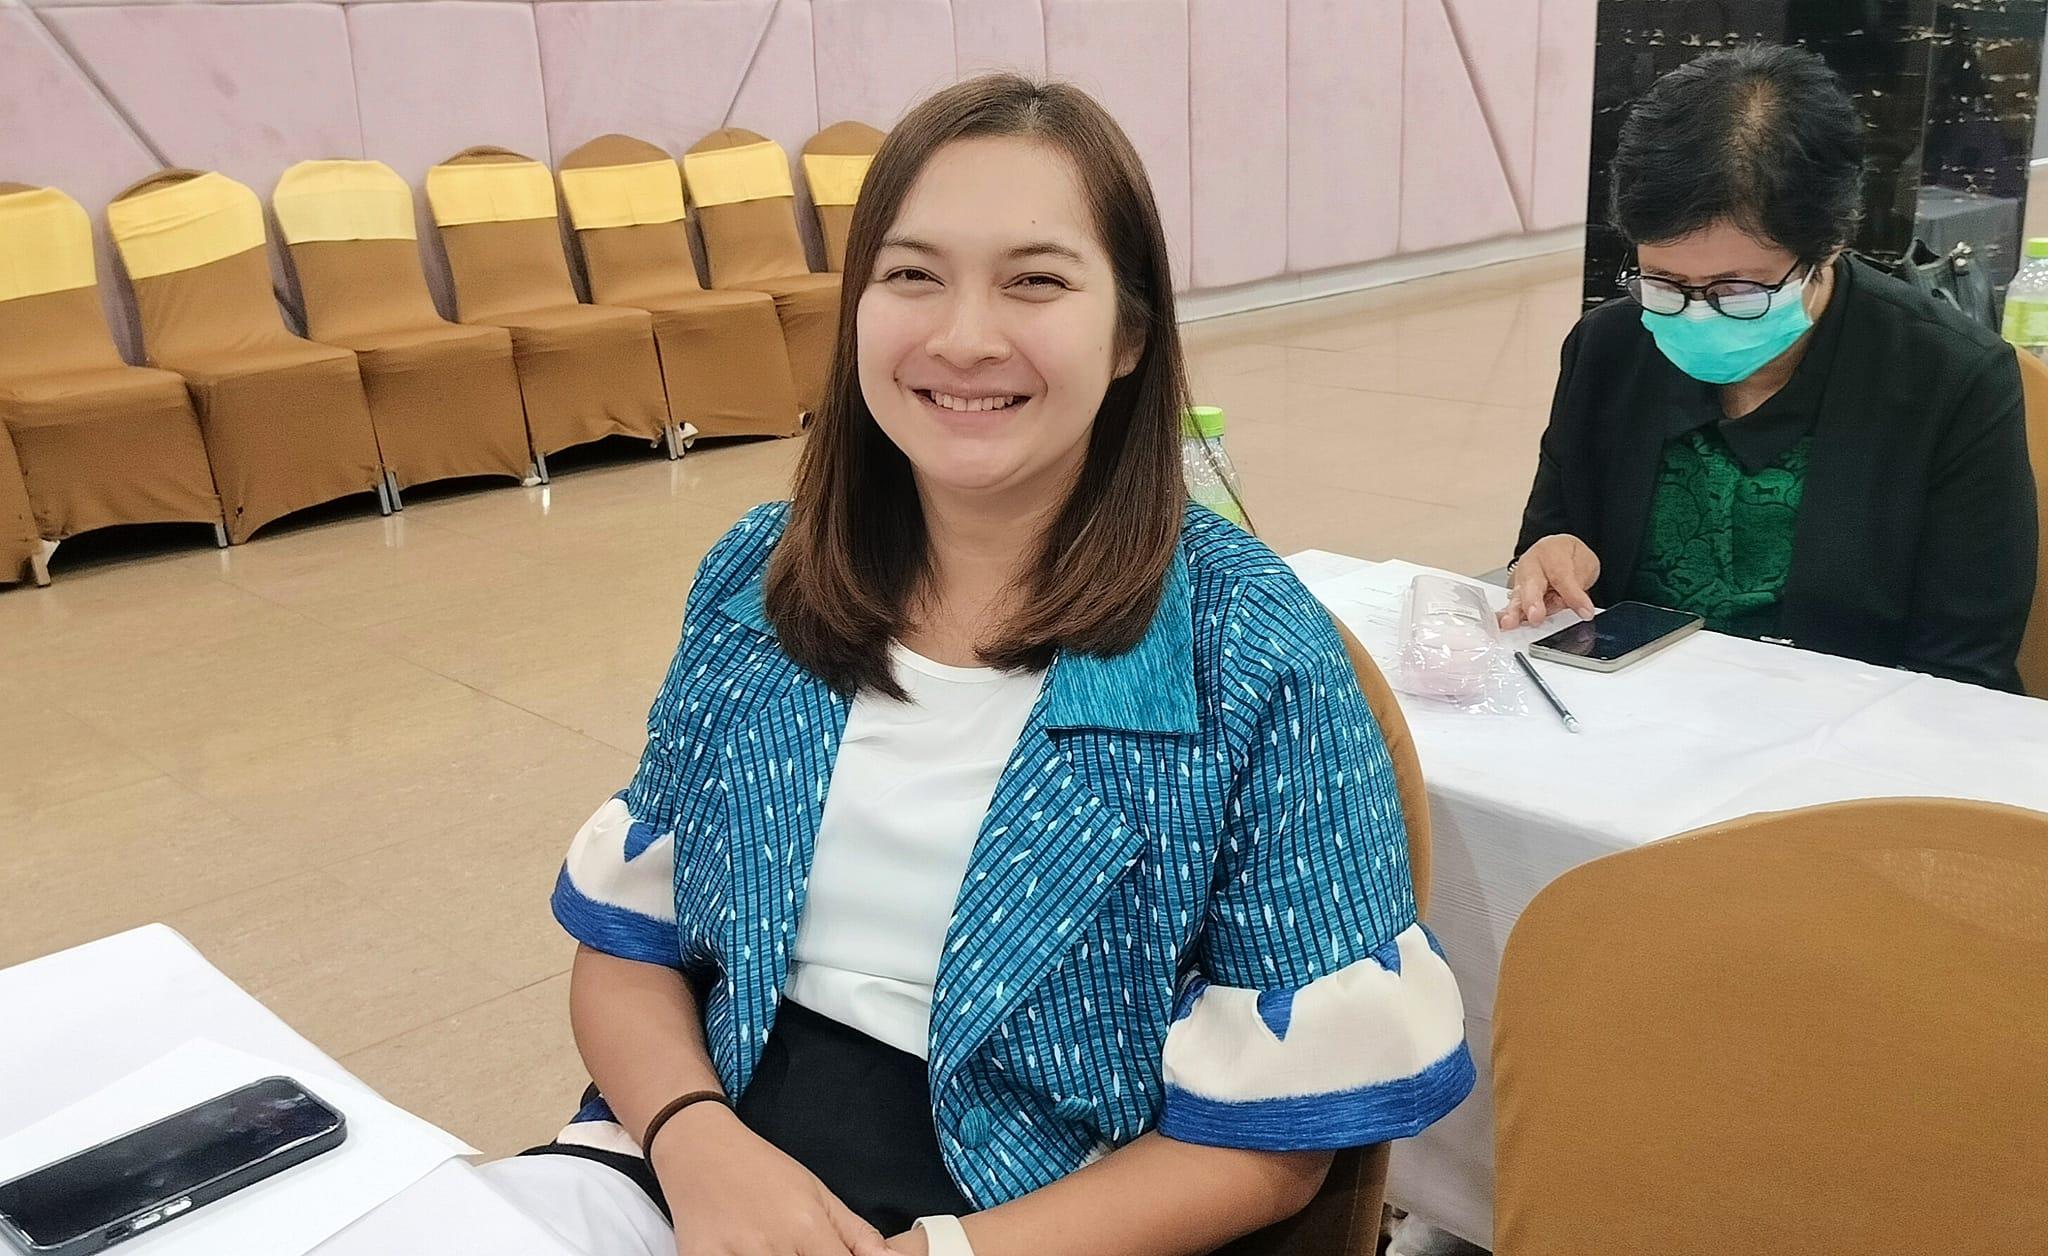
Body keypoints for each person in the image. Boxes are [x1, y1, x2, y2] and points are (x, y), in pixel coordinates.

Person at [481, 75, 1472, 1256]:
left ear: (1129, 335)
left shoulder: (1249, 651)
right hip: (697, 1157)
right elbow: (629, 944)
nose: (961, 337)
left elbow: (1273, 1143)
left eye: (1034, 281)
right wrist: (696, 1142)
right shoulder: (761, 579)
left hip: (1033, 1215)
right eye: (912, 275)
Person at [1505, 43, 2038, 692]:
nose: (1696, 314)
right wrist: (1548, 561)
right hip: (1628, 713)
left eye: (1737, 290)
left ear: (1828, 246)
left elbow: (1962, 670)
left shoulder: (1951, 378)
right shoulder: (1611, 346)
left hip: (1852, 730)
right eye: (1664, 283)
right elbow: (1550, 543)